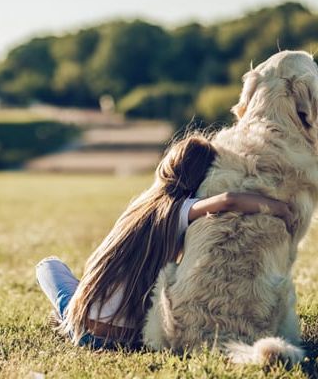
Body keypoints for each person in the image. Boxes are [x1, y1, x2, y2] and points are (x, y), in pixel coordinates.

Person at [36, 134, 292, 349]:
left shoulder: (142, 206)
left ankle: (68, 316)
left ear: (167, 164)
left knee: (48, 266)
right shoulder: (182, 210)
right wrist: (280, 208)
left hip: (86, 331)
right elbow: (228, 200)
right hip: (131, 337)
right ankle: (73, 313)